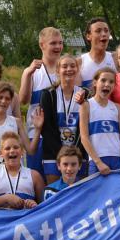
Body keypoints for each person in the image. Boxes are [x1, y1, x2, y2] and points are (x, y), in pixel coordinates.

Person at [19, 27, 63, 176]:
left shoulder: (66, 69)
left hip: (61, 133)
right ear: (42, 45)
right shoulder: (33, 71)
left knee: (59, 178)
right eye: (53, 43)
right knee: (36, 177)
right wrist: (27, 74)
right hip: (36, 134)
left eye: (60, 43)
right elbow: (23, 101)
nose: (58, 47)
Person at [41, 54, 87, 184]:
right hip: (53, 154)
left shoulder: (85, 94)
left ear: (77, 70)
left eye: (73, 66)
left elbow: (85, 127)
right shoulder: (48, 94)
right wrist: (62, 154)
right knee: (57, 196)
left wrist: (74, 153)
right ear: (57, 70)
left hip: (78, 154)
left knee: (78, 195)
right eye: (64, 66)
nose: (69, 69)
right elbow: (47, 129)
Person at [80, 68, 120, 176]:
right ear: (95, 83)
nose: (107, 84)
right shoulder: (86, 105)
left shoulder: (117, 107)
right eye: (103, 80)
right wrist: (98, 162)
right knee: (96, 192)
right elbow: (84, 138)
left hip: (117, 158)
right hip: (97, 160)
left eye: (111, 82)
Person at [0, 132, 45, 210]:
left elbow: (44, 206)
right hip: (1, 221)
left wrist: (33, 204)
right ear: (1, 153)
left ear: (22, 151)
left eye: (16, 147)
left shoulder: (34, 175)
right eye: (7, 148)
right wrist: (6, 198)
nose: (12, 151)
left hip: (25, 220)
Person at [77, 18, 117, 88]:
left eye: (106, 31)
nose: (104, 34)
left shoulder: (116, 59)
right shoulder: (79, 63)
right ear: (88, 36)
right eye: (98, 31)